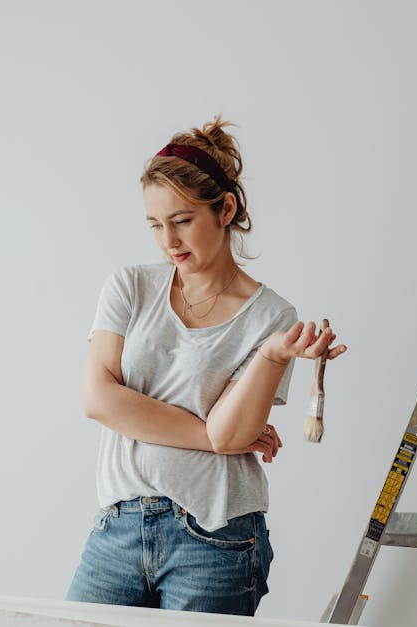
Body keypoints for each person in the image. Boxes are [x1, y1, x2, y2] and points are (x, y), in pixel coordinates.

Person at [65, 116, 347, 616]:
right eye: (155, 225)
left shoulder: (271, 317)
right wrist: (210, 432)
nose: (168, 240)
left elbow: (232, 433)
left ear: (226, 209)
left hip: (215, 538)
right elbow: (98, 399)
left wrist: (272, 356)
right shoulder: (129, 287)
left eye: (182, 220)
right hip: (119, 527)